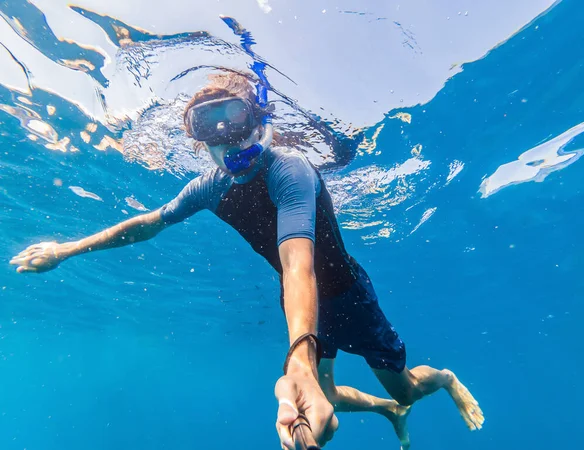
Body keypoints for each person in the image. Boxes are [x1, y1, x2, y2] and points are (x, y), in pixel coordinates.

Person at [10, 73, 484, 449]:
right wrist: (66, 250)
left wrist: (300, 356)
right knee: (330, 396)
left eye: (237, 123)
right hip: (300, 305)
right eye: (210, 130)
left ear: (259, 124)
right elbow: (148, 223)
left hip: (346, 296)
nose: (229, 141)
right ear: (200, 143)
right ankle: (388, 411)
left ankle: (442, 380)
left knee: (407, 389)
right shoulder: (209, 189)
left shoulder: (290, 170)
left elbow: (300, 263)